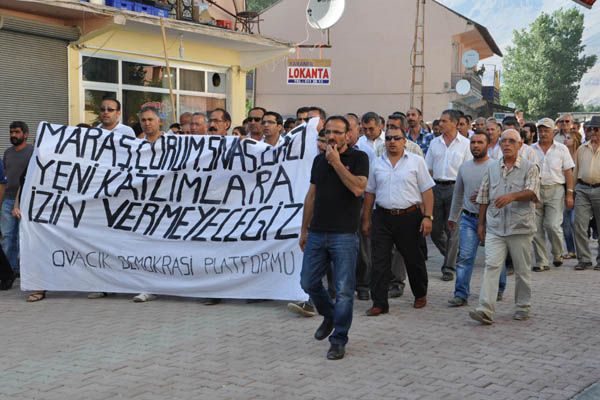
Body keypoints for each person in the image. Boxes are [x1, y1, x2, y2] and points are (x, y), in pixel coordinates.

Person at [299, 115, 369, 360]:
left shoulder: (359, 158)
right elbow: (311, 196)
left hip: (344, 235)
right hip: (317, 232)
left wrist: (337, 163)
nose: (331, 136)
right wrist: (304, 229)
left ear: (348, 135)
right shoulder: (319, 161)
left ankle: (339, 339)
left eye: (337, 132)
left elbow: (358, 188)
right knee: (308, 282)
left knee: (343, 290)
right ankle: (329, 315)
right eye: (328, 131)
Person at [469, 129, 540, 325]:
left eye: (511, 141)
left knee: (522, 269)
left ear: (519, 145)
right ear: (499, 145)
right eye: (504, 141)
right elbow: (483, 197)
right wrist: (481, 224)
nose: (507, 144)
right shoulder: (492, 168)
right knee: (491, 266)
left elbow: (533, 192)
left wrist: (512, 196)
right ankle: (485, 309)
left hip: (520, 226)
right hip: (495, 226)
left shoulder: (529, 167)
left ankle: (523, 306)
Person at [362, 125, 434, 316]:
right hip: (382, 217)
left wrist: (428, 217)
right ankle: (379, 302)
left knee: (413, 259)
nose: (392, 142)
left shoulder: (416, 162)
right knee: (379, 261)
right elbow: (369, 193)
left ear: (405, 141)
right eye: (389, 139)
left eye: (396, 138)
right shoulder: (376, 163)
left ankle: (420, 294)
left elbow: (427, 191)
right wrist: (366, 219)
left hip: (409, 217)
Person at [447, 131, 507, 306]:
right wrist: (453, 216)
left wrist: (484, 196)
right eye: (473, 142)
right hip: (467, 219)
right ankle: (460, 294)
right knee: (465, 257)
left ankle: (498, 288)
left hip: (492, 219)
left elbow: (503, 193)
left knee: (494, 257)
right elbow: (458, 194)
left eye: (480, 142)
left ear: (488, 145)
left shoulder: (496, 166)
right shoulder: (464, 167)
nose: (475, 145)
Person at [425, 109, 472, 281]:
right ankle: (454, 256)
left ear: (454, 123)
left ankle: (449, 268)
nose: (440, 124)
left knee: (453, 229)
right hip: (436, 188)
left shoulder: (466, 144)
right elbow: (427, 169)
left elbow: (468, 170)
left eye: (444, 121)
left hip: (456, 188)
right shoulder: (434, 143)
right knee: (436, 231)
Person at [531, 118, 575, 271]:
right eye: (540, 130)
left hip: (556, 190)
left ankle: (557, 253)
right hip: (535, 191)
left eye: (546, 130)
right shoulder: (531, 149)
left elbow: (568, 172)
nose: (542, 133)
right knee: (536, 228)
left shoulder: (561, 149)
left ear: (553, 132)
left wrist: (570, 194)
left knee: (552, 225)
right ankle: (541, 261)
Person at [1, 121, 33, 276]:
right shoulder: (7, 152)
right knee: (7, 236)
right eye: (11, 132)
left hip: (25, 200)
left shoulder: (32, 152)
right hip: (7, 199)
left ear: (25, 134)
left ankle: (22, 269)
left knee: (23, 236)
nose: (13, 135)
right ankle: (9, 271)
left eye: (17, 132)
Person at [573, 116, 600, 270]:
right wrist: (572, 192)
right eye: (590, 129)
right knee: (579, 225)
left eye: (596, 129)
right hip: (582, 188)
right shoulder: (582, 149)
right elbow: (576, 170)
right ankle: (584, 259)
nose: (592, 132)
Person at [562, 130, 582, 259]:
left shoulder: (580, 153)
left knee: (576, 222)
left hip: (579, 192)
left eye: (568, 138)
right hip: (564, 191)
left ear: (575, 140)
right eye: (565, 138)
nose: (565, 140)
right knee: (566, 223)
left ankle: (581, 251)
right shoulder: (563, 154)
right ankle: (571, 250)